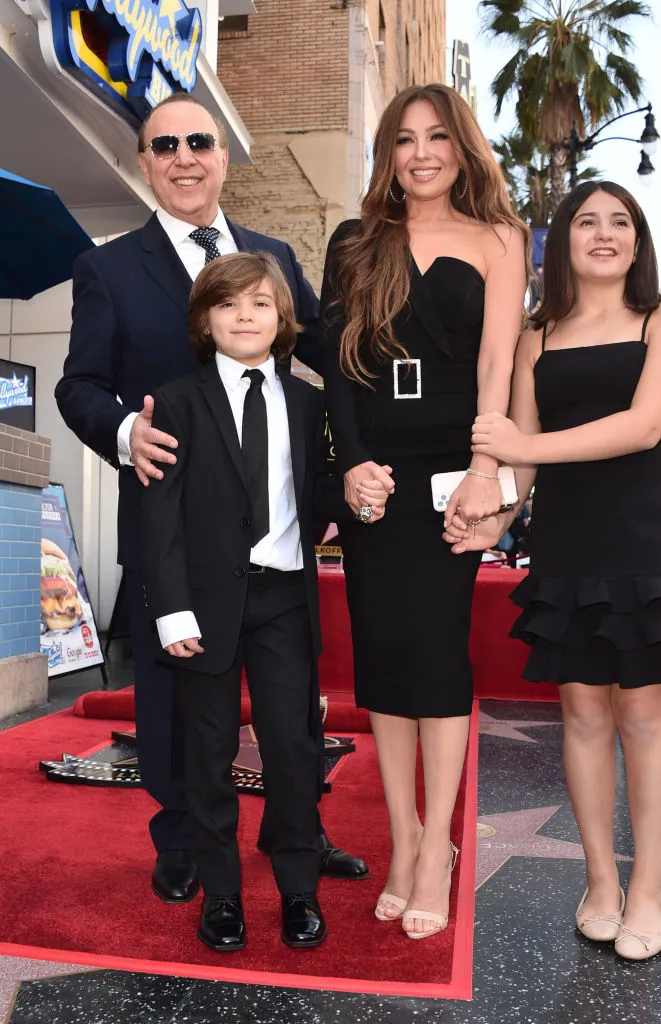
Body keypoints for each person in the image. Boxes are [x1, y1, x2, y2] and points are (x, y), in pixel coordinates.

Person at [55, 93, 366, 907]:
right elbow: (78, 384)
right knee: (174, 709)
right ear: (145, 163)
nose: (184, 157)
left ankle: (298, 830)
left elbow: (334, 359)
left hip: (273, 546)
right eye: (165, 146)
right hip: (173, 539)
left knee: (290, 708)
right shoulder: (107, 268)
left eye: (200, 141)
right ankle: (185, 838)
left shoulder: (271, 255)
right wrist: (125, 434)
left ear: (225, 155)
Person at [452, 181, 661, 960]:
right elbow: (525, 469)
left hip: (645, 534)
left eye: (619, 223)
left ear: (637, 241)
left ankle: (648, 888)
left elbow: (642, 428)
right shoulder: (538, 337)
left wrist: (513, 446)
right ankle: (600, 879)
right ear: (561, 241)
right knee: (581, 715)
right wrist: (491, 521)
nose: (603, 234)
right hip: (567, 536)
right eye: (586, 222)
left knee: (643, 716)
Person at [322, 83, 528, 938]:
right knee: (385, 662)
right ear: (387, 154)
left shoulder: (500, 239)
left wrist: (487, 473)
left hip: (453, 474)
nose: (421, 153)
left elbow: (497, 366)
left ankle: (439, 844)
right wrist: (351, 463)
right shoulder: (355, 241)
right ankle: (404, 841)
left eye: (437, 136)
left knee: (437, 656)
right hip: (379, 471)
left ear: (462, 146)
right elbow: (339, 367)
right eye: (403, 139)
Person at [141, 252, 358, 950]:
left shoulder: (307, 401)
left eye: (261, 303)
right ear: (205, 319)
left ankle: (298, 891)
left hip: (285, 600)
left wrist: (357, 486)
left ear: (283, 320)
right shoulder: (174, 401)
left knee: (292, 750)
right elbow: (160, 516)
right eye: (229, 304)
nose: (245, 316)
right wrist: (170, 609)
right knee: (206, 753)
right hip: (203, 608)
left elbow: (319, 491)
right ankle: (223, 895)